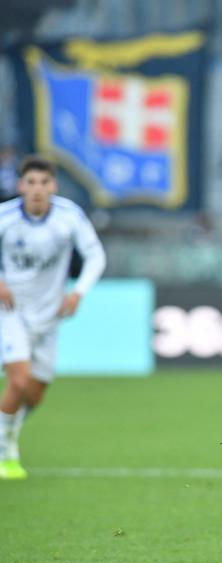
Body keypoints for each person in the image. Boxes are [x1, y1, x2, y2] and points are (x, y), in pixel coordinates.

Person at [0, 155, 106, 480]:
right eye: (30, 183)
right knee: (18, 379)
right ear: (20, 186)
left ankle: (8, 431)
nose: (37, 189)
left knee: (34, 394)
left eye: (43, 183)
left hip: (50, 315)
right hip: (10, 310)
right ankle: (5, 451)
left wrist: (78, 292)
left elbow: (96, 255)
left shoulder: (68, 216)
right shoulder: (4, 217)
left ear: (53, 186)